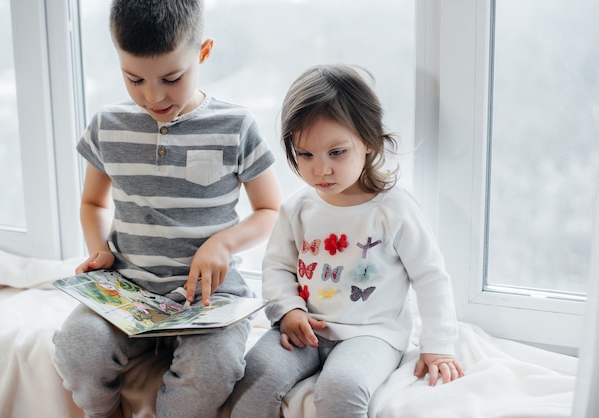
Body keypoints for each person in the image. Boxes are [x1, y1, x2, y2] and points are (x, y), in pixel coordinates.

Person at [52, 1, 281, 417]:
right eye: (133, 78)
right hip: (128, 288)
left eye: (172, 78)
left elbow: (269, 209)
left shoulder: (236, 125)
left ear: (204, 52)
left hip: (208, 296)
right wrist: (98, 249)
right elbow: (92, 201)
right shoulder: (107, 125)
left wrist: (223, 244)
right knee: (77, 346)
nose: (153, 95)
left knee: (214, 368)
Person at [228, 64, 464, 418]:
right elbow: (276, 266)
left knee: (342, 388)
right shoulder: (298, 208)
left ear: (368, 141)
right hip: (305, 326)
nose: (320, 169)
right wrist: (289, 309)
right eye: (305, 155)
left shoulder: (393, 208)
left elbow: (430, 276)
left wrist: (439, 344)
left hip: (371, 334)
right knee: (255, 375)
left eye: (336, 153)